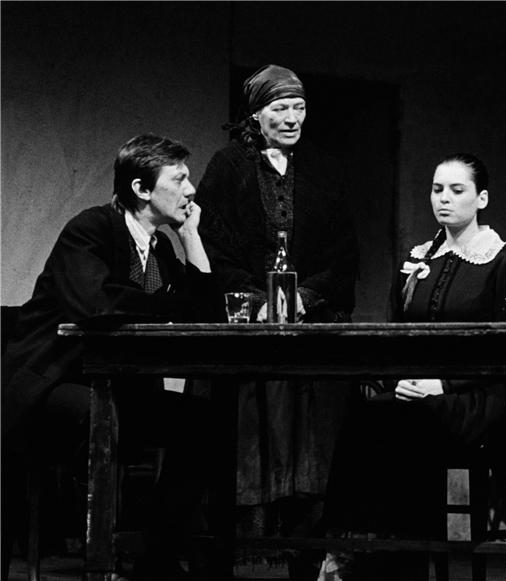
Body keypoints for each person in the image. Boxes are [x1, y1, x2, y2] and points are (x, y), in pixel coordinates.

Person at [1, 134, 225, 580]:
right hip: (56, 381)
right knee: (98, 415)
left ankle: (155, 558)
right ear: (141, 188)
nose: (190, 190)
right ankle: (98, 561)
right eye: (179, 179)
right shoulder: (91, 229)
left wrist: (191, 237)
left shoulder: (160, 248)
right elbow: (98, 305)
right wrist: (168, 305)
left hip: (120, 387)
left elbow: (206, 314)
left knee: (204, 423)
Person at [317, 153, 506, 581]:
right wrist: (398, 378)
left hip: (476, 396)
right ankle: (351, 544)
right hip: (417, 392)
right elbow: (398, 334)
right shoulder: (418, 258)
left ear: (482, 198)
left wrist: (444, 383)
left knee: (397, 421)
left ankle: (382, 558)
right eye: (437, 189)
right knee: (366, 411)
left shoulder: (504, 260)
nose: (443, 198)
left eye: (457, 190)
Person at [193, 63, 359, 580]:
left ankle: (306, 554)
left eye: (298, 107)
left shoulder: (324, 170)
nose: (291, 118)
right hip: (249, 331)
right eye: (279, 108)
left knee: (311, 446)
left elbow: (344, 254)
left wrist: (305, 296)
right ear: (256, 114)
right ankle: (235, 555)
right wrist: (255, 300)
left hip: (309, 331)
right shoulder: (228, 167)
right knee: (245, 437)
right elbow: (213, 247)